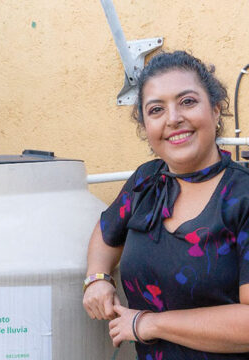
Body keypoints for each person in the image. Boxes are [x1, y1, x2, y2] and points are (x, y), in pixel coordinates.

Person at [82, 51, 249, 359]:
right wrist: (97, 278)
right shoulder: (145, 181)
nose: (173, 119)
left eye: (187, 102)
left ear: (216, 109)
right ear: (146, 126)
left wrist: (149, 324)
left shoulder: (243, 196)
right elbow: (106, 233)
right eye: (156, 109)